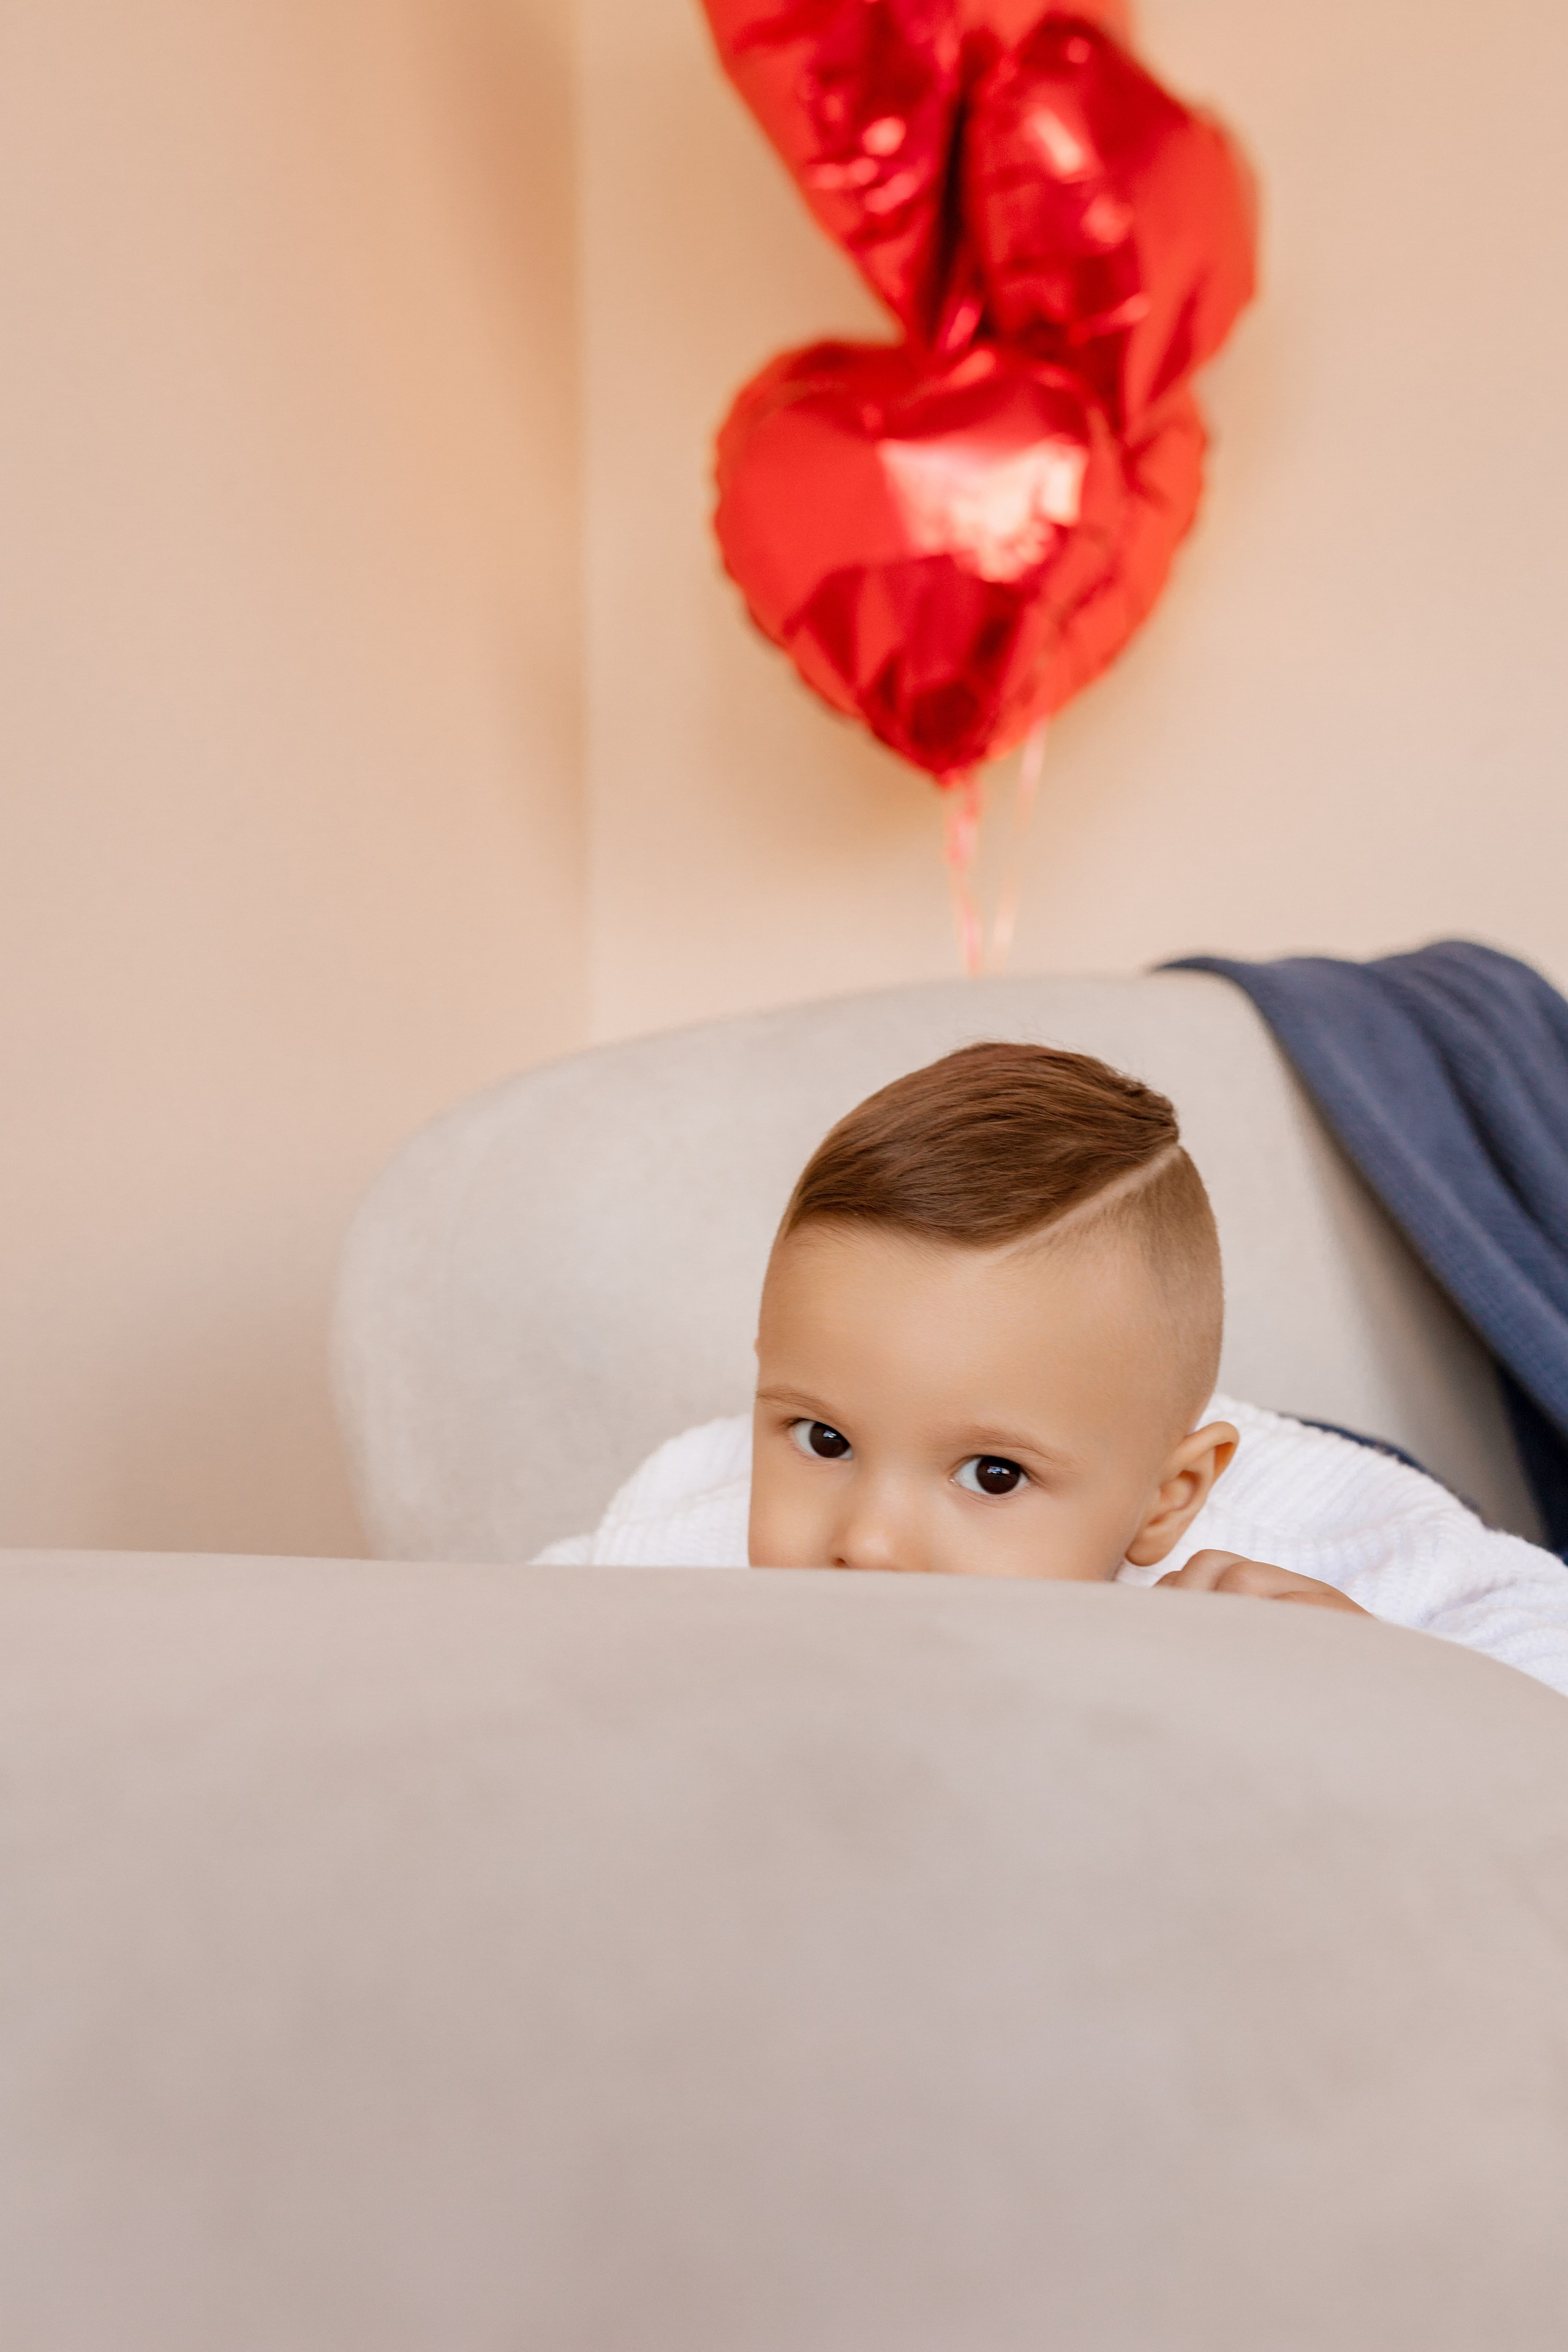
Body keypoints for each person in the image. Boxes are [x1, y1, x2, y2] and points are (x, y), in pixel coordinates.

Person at [535, 1041, 1568, 1695]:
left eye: (993, 1474)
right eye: (825, 1439)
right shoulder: (696, 1527)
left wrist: (1392, 1681)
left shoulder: (1298, 1551)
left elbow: (1540, 1650)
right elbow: (510, 1649)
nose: (869, 1544)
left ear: (1166, 1498)